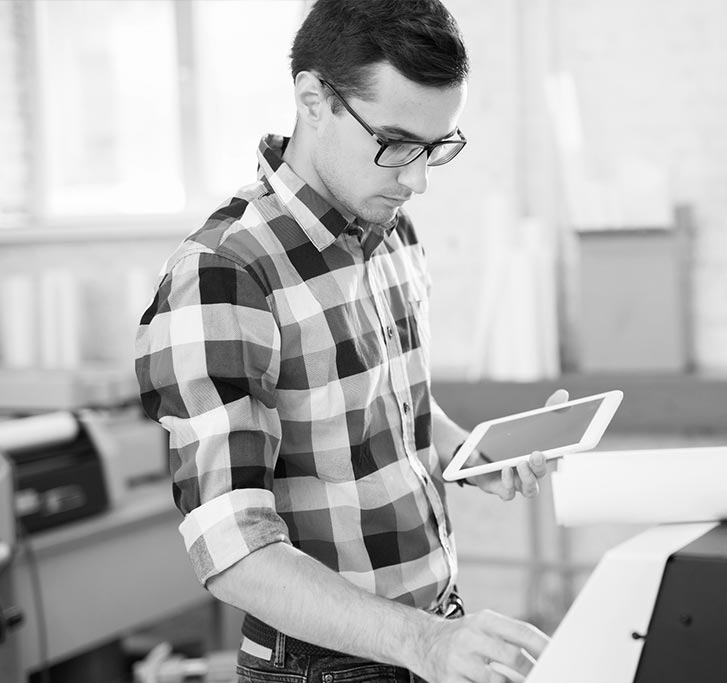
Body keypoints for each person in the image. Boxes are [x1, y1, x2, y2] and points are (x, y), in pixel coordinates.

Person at [134, 1, 563, 681]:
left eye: (435, 148)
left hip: (425, 635)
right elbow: (232, 549)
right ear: (313, 100)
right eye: (396, 144)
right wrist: (423, 643)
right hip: (324, 667)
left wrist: (472, 454)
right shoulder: (224, 270)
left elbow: (387, 417)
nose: (417, 179)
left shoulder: (390, 227)